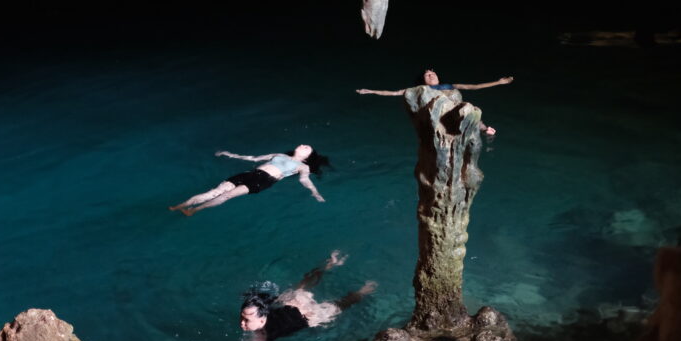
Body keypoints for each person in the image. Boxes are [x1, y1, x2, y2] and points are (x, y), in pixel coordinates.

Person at [206, 251, 377, 341]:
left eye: (247, 320)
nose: (241, 323)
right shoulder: (262, 310)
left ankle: (363, 291)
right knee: (300, 288)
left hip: (309, 316)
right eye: (241, 317)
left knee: (340, 305)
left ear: (262, 319)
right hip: (295, 304)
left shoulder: (265, 336)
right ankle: (329, 264)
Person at [169, 144, 329, 216]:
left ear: (307, 156)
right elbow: (253, 158)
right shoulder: (278, 155)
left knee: (226, 195)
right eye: (302, 144)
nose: (302, 145)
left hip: (263, 181)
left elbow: (305, 181)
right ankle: (181, 206)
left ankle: (194, 210)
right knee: (216, 191)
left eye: (306, 147)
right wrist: (229, 154)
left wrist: (315, 193)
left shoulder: (303, 166)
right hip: (250, 173)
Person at [356, 69, 514, 135]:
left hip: (457, 107)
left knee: (469, 110)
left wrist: (498, 82)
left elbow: (474, 86)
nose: (430, 75)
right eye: (427, 75)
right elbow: (395, 93)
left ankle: (485, 129)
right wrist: (372, 91)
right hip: (440, 114)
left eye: (432, 73)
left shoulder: (449, 86)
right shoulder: (421, 89)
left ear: (438, 76)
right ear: (423, 80)